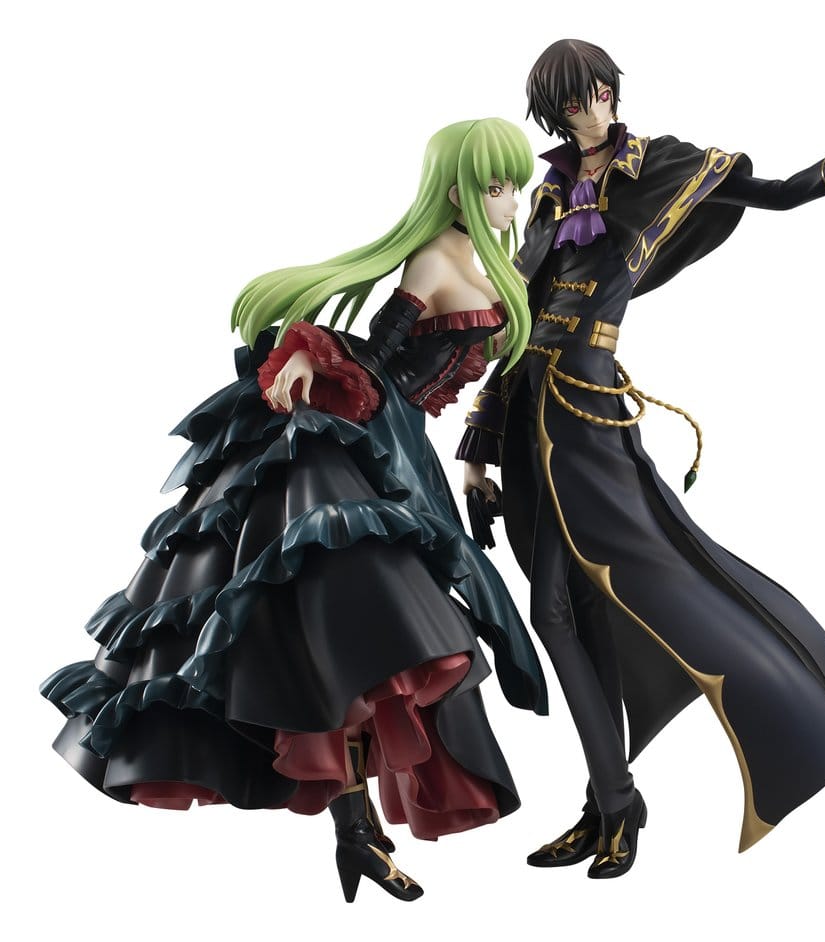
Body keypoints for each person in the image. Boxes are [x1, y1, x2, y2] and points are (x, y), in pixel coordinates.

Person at [459, 40, 825, 878]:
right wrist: (477, 452)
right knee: (562, 612)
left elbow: (778, 193)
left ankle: (622, 800)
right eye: (566, 106)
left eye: (590, 95)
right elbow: (516, 324)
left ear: (611, 91)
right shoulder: (545, 195)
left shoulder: (666, 165)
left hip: (586, 416)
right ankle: (610, 803)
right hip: (526, 413)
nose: (583, 113)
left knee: (603, 593)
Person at [41, 117, 547, 904]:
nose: (511, 201)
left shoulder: (478, 260)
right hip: (371, 449)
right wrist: (311, 351)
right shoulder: (435, 259)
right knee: (375, 640)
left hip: (408, 451)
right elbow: (382, 353)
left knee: (377, 644)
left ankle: (356, 832)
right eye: (496, 187)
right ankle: (355, 830)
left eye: (514, 185)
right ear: (456, 193)